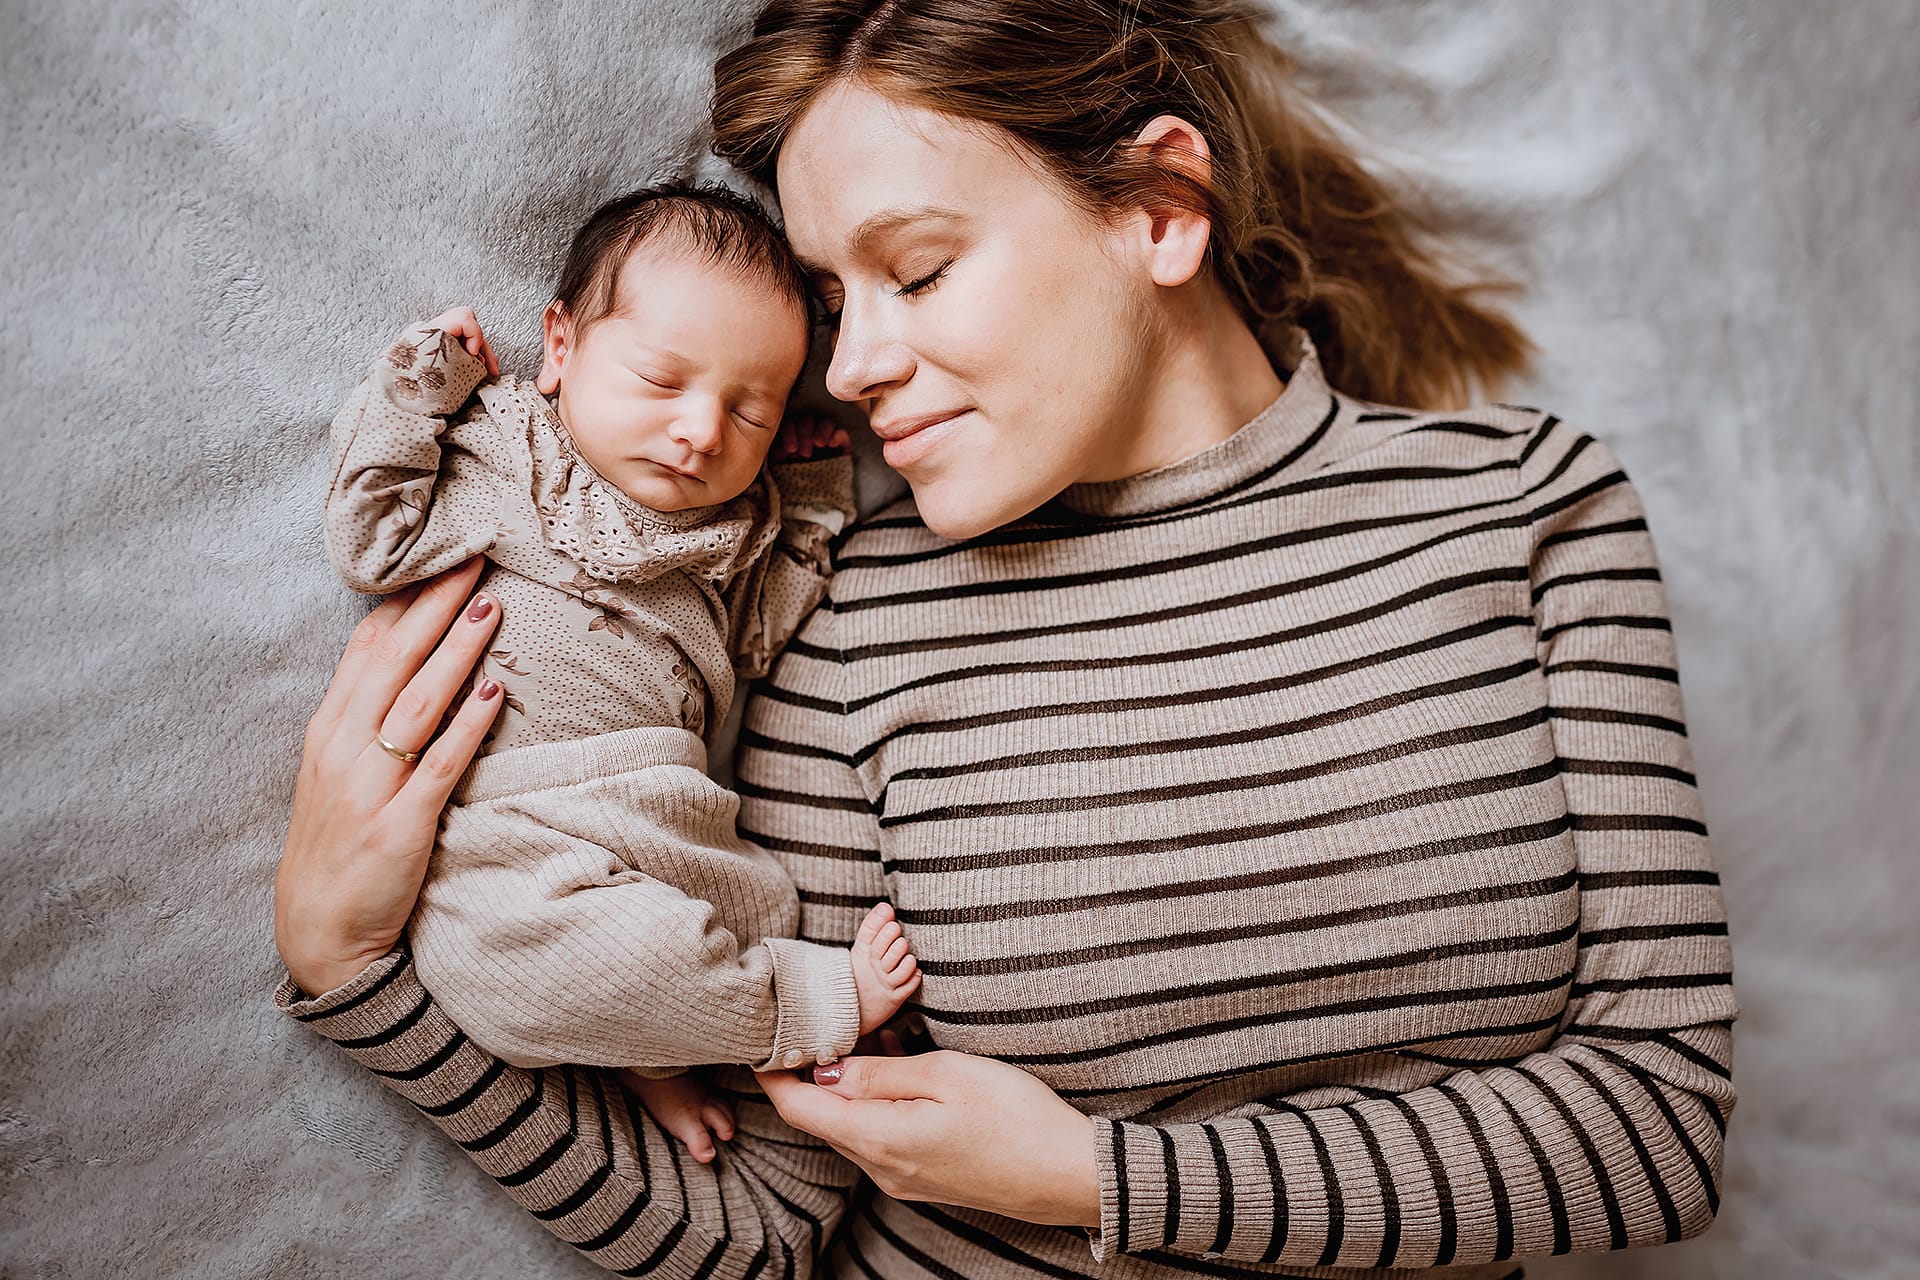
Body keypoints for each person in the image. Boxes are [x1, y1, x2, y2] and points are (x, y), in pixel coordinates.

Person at [273, 2, 1737, 1276]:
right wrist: (357, 975)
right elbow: (752, 1231)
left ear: (1160, 207)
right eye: (831, 303)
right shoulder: (841, 617)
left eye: (914, 272)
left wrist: (1092, 1177)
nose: (850, 369)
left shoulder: (1530, 510)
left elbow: (1658, 1123)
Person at [319, 183, 920, 1163]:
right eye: (661, 380)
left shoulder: (737, 530)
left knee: (713, 929)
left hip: (665, 816)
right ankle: (798, 1005)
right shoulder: (506, 449)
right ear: (560, 346)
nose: (703, 431)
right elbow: (372, 538)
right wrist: (420, 385)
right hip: (504, 827)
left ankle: (666, 1043)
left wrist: (810, 495)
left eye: (752, 411)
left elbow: (761, 636)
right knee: (527, 964)